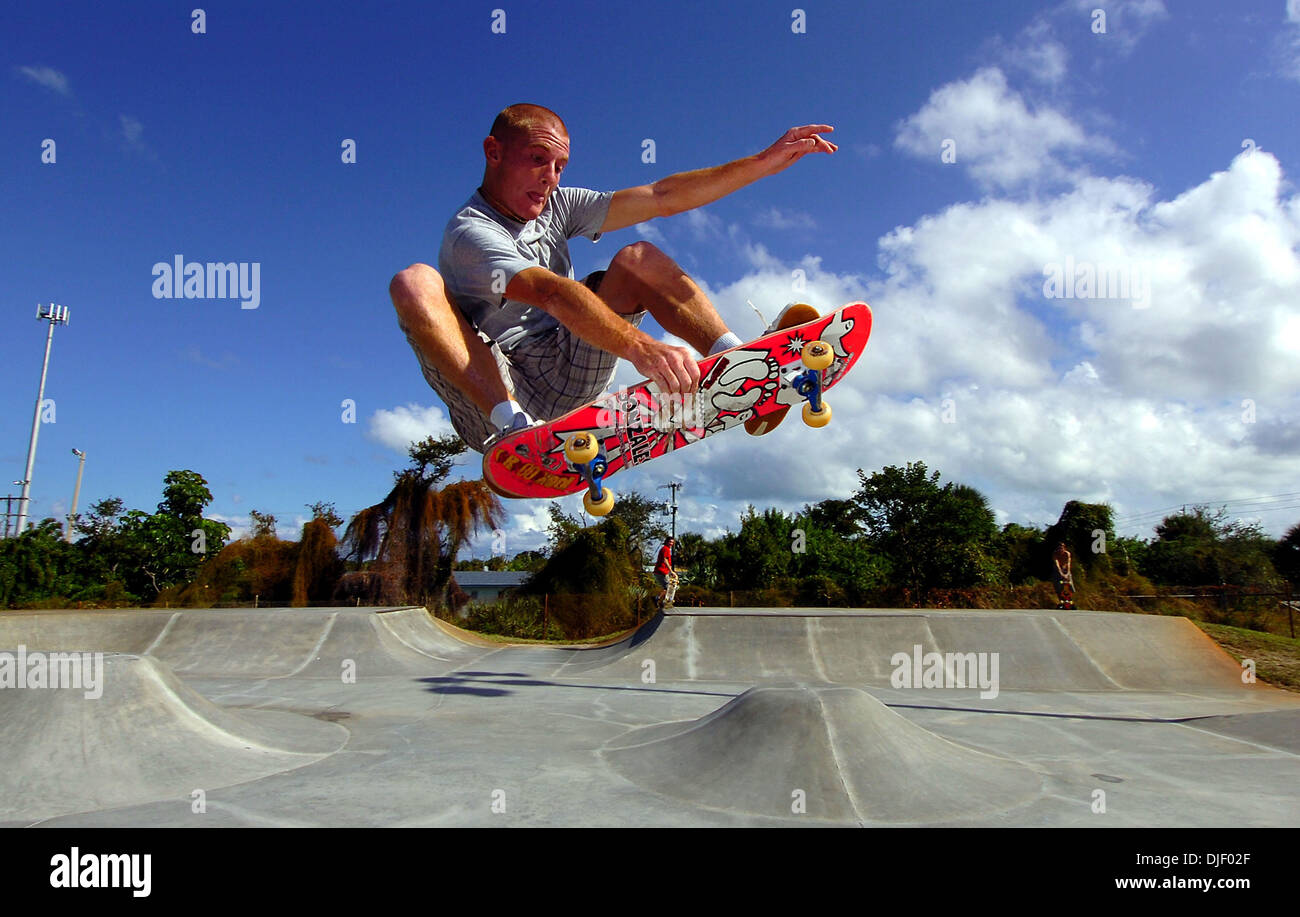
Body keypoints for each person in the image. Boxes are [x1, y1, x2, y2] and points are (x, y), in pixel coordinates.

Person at [389, 103, 837, 452]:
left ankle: (737, 364)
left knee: (637, 257)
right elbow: (546, 291)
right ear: (494, 152)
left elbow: (661, 196)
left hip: (571, 363)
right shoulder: (471, 232)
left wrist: (762, 161)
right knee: (414, 281)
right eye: (537, 160)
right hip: (498, 387)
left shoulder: (559, 204)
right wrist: (643, 348)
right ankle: (516, 432)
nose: (549, 179)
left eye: (560, 166)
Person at [654, 537, 676, 611]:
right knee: (668, 587)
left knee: (666, 587)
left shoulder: (665, 549)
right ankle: (658, 598)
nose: (671, 544)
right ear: (666, 542)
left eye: (672, 542)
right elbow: (665, 560)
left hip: (659, 571)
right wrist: (671, 571)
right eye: (670, 542)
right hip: (661, 571)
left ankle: (662, 602)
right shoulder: (666, 549)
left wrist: (670, 571)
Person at [1053, 542, 1075, 610]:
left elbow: (1068, 564)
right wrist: (1061, 574)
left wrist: (1067, 573)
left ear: (1064, 548)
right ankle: (1061, 601)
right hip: (1058, 571)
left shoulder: (1067, 554)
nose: (1060, 550)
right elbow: (1057, 565)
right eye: (1059, 548)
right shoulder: (1055, 554)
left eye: (1061, 548)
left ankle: (1070, 600)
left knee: (1070, 586)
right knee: (1058, 586)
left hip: (1066, 570)